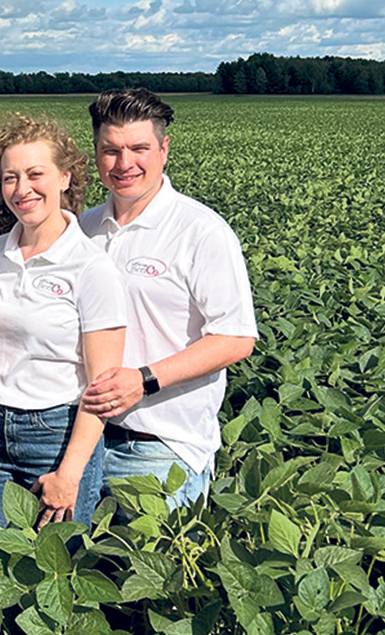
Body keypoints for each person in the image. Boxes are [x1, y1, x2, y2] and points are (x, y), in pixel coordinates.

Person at [78, 88, 257, 507]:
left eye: (139, 148)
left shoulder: (201, 231)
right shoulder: (81, 230)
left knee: (158, 570)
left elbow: (235, 339)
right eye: (111, 150)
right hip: (80, 440)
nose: (124, 164)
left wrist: (143, 379)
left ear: (164, 149)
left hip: (160, 446)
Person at [0, 113, 126, 528]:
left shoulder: (90, 267)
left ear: (65, 178)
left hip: (56, 435)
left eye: (35, 174)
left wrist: (70, 472)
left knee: (57, 569)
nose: (22, 189)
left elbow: (103, 386)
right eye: (9, 178)